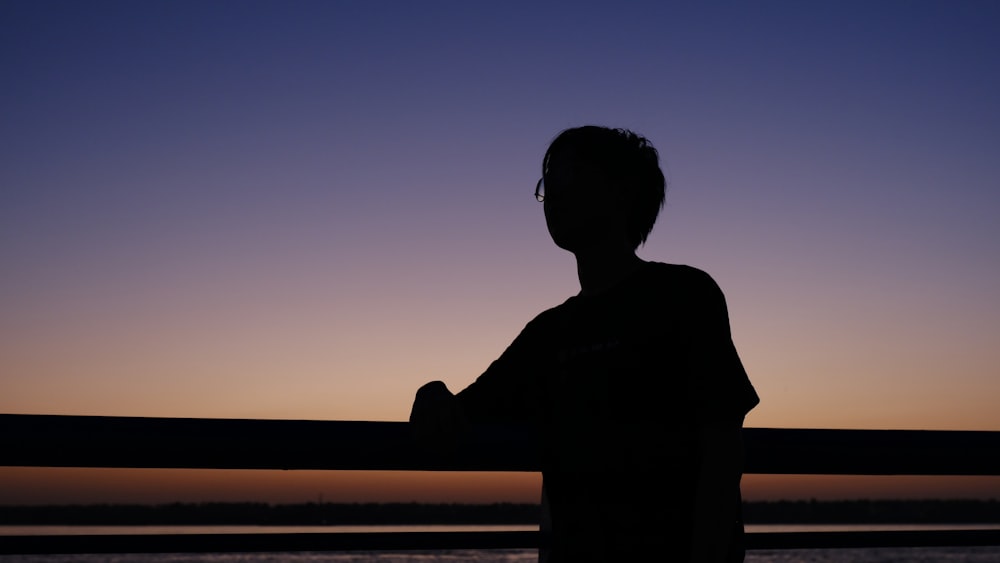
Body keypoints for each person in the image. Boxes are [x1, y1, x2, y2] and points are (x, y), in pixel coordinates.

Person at [409, 125, 759, 562]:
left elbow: (722, 447)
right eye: (548, 184)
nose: (552, 196)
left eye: (568, 178)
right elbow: (466, 409)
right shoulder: (547, 334)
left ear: (621, 192)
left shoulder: (686, 297)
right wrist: (433, 393)